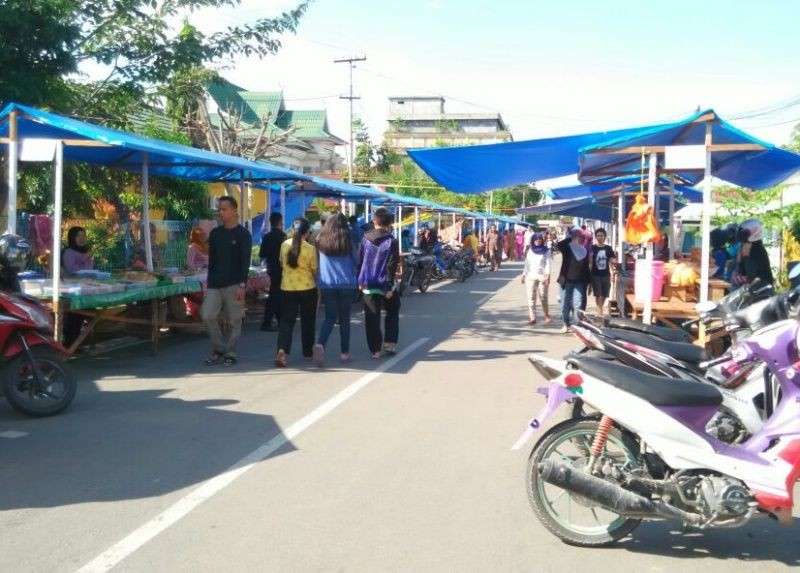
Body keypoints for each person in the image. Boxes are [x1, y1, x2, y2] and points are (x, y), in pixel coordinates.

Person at [202, 196, 252, 366]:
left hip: (235, 284)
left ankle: (230, 351)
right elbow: (212, 261)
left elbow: (245, 261)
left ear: (234, 210)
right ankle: (219, 348)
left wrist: (242, 284)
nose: (220, 212)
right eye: (219, 209)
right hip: (215, 283)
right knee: (207, 314)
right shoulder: (216, 234)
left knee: (234, 320)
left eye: (224, 209)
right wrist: (208, 283)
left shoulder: (243, 234)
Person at [313, 213, 357, 366]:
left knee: (330, 317)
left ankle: (320, 344)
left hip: (327, 284)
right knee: (345, 319)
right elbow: (356, 261)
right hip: (346, 284)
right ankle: (344, 353)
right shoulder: (348, 241)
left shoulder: (320, 240)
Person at [358, 207, 400, 359]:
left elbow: (361, 261)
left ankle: (375, 350)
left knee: (372, 316)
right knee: (393, 311)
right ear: (389, 223)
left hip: (368, 283)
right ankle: (390, 343)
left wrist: (360, 281)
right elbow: (392, 264)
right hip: (385, 284)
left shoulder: (365, 239)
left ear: (374, 221)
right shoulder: (392, 241)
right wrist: (389, 286)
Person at [275, 218, 318, 367]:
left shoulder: (283, 245)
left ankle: (282, 350)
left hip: (287, 288)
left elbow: (281, 264)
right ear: (307, 232)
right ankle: (308, 352)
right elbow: (314, 269)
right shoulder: (310, 249)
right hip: (307, 289)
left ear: (292, 230)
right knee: (308, 321)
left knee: (286, 322)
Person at [556, 227, 591, 333]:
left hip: (579, 281)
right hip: (566, 281)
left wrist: (589, 283)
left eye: (581, 237)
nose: (579, 239)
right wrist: (570, 237)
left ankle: (577, 326)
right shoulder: (567, 248)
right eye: (577, 237)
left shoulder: (584, 251)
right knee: (565, 303)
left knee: (578, 303)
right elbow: (559, 245)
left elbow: (586, 268)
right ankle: (565, 324)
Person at [259, 213, 286, 331]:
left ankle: (277, 319)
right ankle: (268, 321)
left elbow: (262, 254)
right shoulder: (283, 236)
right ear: (280, 221)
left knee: (275, 294)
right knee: (277, 295)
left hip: (271, 268)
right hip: (281, 269)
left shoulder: (267, 237)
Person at [521, 232, 552, 325]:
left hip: (542, 276)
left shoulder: (546, 250)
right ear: (533, 240)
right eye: (536, 239)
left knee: (543, 296)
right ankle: (532, 317)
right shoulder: (529, 250)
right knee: (531, 297)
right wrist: (523, 274)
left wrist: (548, 275)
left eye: (539, 239)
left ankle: (546, 314)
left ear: (542, 240)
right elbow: (527, 264)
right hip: (530, 275)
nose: (538, 241)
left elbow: (548, 264)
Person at [735, 219, 774, 286]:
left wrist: (745, 256)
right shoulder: (745, 246)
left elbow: (752, 273)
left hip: (762, 288)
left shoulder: (757, 249)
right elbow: (741, 268)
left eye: (745, 232)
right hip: (752, 287)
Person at [589, 228, 616, 318]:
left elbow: (612, 259)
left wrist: (615, 263)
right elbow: (590, 262)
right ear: (596, 237)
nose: (600, 237)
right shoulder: (592, 248)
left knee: (604, 294)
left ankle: (598, 309)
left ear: (605, 237)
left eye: (602, 235)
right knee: (598, 294)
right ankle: (600, 313)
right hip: (595, 274)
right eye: (598, 235)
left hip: (606, 274)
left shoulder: (608, 248)